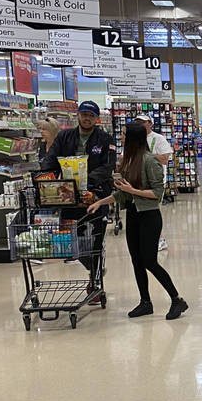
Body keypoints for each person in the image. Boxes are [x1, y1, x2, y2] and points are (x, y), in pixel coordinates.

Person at [87, 123, 188, 320]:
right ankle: (145, 302)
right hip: (133, 214)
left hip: (149, 216)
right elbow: (122, 195)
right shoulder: (127, 161)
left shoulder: (151, 161)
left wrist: (133, 191)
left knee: (149, 260)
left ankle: (177, 299)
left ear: (134, 139)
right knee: (136, 260)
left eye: (124, 135)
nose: (121, 138)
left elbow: (157, 194)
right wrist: (101, 202)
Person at [40, 101, 117, 292]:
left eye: (91, 115)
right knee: (74, 238)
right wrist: (47, 178)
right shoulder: (64, 137)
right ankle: (92, 267)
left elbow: (109, 166)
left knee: (96, 238)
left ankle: (95, 280)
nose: (87, 118)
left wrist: (87, 180)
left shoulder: (106, 139)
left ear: (97, 119)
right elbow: (51, 161)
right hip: (68, 196)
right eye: (84, 114)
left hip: (96, 195)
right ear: (78, 116)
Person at [134, 115, 173, 251]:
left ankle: (160, 239)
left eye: (142, 122)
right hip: (137, 183)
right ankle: (148, 240)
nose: (139, 125)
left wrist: (145, 155)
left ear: (150, 123)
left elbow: (165, 159)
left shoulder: (159, 139)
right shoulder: (134, 139)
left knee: (153, 212)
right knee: (142, 213)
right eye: (137, 122)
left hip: (155, 182)